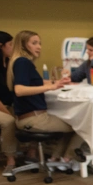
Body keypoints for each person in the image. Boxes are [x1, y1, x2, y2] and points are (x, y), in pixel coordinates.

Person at [7, 30, 83, 167]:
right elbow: (19, 90)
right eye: (34, 43)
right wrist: (51, 88)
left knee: (73, 122)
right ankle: (66, 158)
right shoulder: (22, 62)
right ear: (23, 45)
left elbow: (36, 82)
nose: (39, 47)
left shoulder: (20, 62)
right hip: (34, 119)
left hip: (25, 117)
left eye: (40, 43)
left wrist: (58, 83)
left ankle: (55, 159)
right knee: (81, 125)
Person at [0, 31, 17, 176]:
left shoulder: (10, 64)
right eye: (10, 44)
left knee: (28, 115)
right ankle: (10, 159)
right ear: (0, 46)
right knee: (9, 121)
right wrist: (7, 112)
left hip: (8, 103)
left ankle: (32, 152)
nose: (13, 47)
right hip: (1, 106)